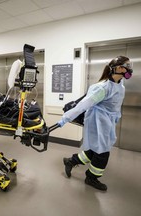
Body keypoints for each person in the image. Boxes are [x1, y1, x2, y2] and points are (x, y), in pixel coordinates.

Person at [57, 56, 133, 191]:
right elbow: (82, 106)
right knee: (103, 152)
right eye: (127, 65)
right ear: (118, 68)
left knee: (94, 149)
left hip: (107, 123)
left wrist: (116, 118)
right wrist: (65, 119)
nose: (129, 69)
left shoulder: (120, 86)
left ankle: (71, 161)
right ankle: (91, 177)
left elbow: (116, 106)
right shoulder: (102, 88)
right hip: (97, 122)